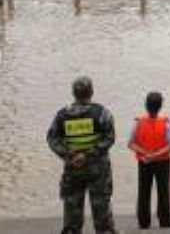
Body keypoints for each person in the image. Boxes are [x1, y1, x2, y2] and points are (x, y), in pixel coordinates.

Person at [46, 76, 117, 234]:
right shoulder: (101, 113)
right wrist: (89, 155)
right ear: (91, 92)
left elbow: (52, 138)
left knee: (72, 206)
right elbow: (109, 137)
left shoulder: (62, 115)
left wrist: (69, 155)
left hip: (73, 168)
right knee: (101, 206)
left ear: (73, 93)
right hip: (98, 168)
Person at [128, 91, 170, 230]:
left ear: (146, 105)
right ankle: (165, 221)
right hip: (162, 162)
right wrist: (155, 155)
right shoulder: (166, 124)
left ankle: (143, 223)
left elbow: (131, 144)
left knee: (143, 191)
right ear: (160, 106)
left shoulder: (139, 123)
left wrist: (146, 154)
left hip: (144, 161)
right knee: (163, 191)